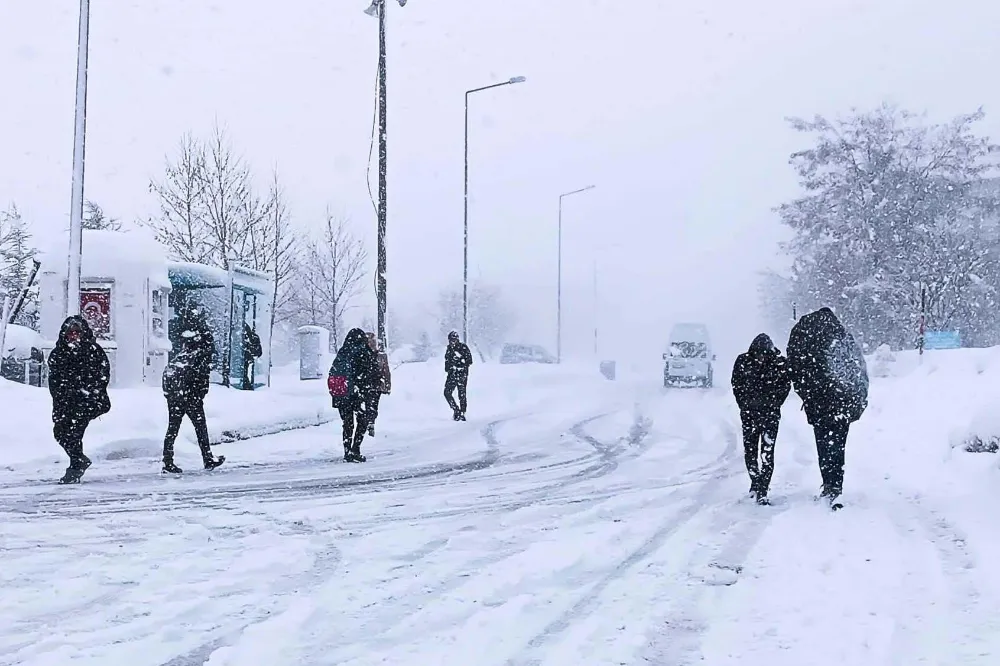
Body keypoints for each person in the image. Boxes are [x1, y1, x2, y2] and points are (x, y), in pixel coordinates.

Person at [786, 307, 869, 509]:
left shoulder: (808, 341)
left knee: (824, 446)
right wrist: (857, 400)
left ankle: (828, 483)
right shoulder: (842, 339)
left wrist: (807, 395)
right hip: (843, 405)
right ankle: (836, 486)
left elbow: (796, 370)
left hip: (820, 406)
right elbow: (858, 371)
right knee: (838, 446)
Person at [47, 315, 111, 484]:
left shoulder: (93, 351)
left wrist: (91, 392)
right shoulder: (58, 353)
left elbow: (103, 375)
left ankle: (75, 468)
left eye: (77, 332)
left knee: (74, 433)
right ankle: (79, 460)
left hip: (87, 401)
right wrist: (61, 396)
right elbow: (54, 379)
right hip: (65, 402)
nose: (74, 336)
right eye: (70, 333)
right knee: (60, 433)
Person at [161, 308, 225, 474]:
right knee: (200, 427)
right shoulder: (200, 353)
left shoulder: (184, 351)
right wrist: (198, 393)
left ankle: (168, 460)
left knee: (173, 427)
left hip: (176, 395)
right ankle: (207, 458)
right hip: (191, 396)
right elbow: (199, 376)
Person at [731, 333, 791, 505]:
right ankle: (755, 482)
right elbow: (736, 384)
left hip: (769, 415)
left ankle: (763, 488)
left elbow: (786, 386)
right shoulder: (743, 362)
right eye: (758, 354)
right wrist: (744, 404)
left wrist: (774, 403)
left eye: (763, 355)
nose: (760, 358)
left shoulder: (779, 364)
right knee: (750, 452)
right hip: (749, 414)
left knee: (767, 453)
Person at [328, 328, 379, 462]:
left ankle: (347, 450)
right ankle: (355, 449)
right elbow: (369, 372)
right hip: (357, 393)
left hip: (342, 393)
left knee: (347, 422)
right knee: (362, 420)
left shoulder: (343, 351)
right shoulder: (363, 351)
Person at [365, 332, 392, 437]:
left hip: (376, 385)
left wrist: (387, 386)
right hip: (367, 385)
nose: (372, 343)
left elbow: (386, 372)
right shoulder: (363, 355)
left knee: (373, 405)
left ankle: (371, 422)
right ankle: (369, 422)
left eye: (373, 341)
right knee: (369, 405)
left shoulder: (381, 356)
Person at [444, 330, 473, 421]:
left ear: (457, 339)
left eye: (454, 340)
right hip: (452, 375)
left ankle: (462, 412)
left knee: (462, 394)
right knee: (447, 393)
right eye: (451, 340)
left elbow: (469, 360)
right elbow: (447, 362)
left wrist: (460, 361)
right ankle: (456, 410)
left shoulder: (463, 347)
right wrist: (449, 367)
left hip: (461, 374)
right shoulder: (449, 349)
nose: (452, 342)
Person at [242, 323, 262, 390]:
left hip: (245, 358)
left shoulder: (242, 328)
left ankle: (246, 384)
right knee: (245, 371)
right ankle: (247, 384)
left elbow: (259, 352)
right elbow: (259, 352)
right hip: (247, 358)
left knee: (244, 371)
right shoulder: (253, 336)